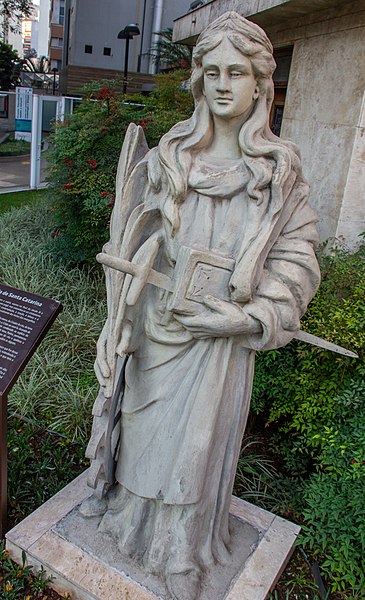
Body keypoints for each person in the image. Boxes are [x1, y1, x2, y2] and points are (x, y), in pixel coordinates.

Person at [83, 11, 320, 600]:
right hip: (156, 327)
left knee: (196, 447)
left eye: (236, 73)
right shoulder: (170, 157)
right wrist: (119, 320)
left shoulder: (279, 172)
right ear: (197, 81)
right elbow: (137, 235)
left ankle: (183, 549)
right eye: (211, 71)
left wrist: (250, 317)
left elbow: (298, 258)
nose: (221, 84)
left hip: (218, 344)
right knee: (137, 433)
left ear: (261, 84)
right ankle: (126, 517)